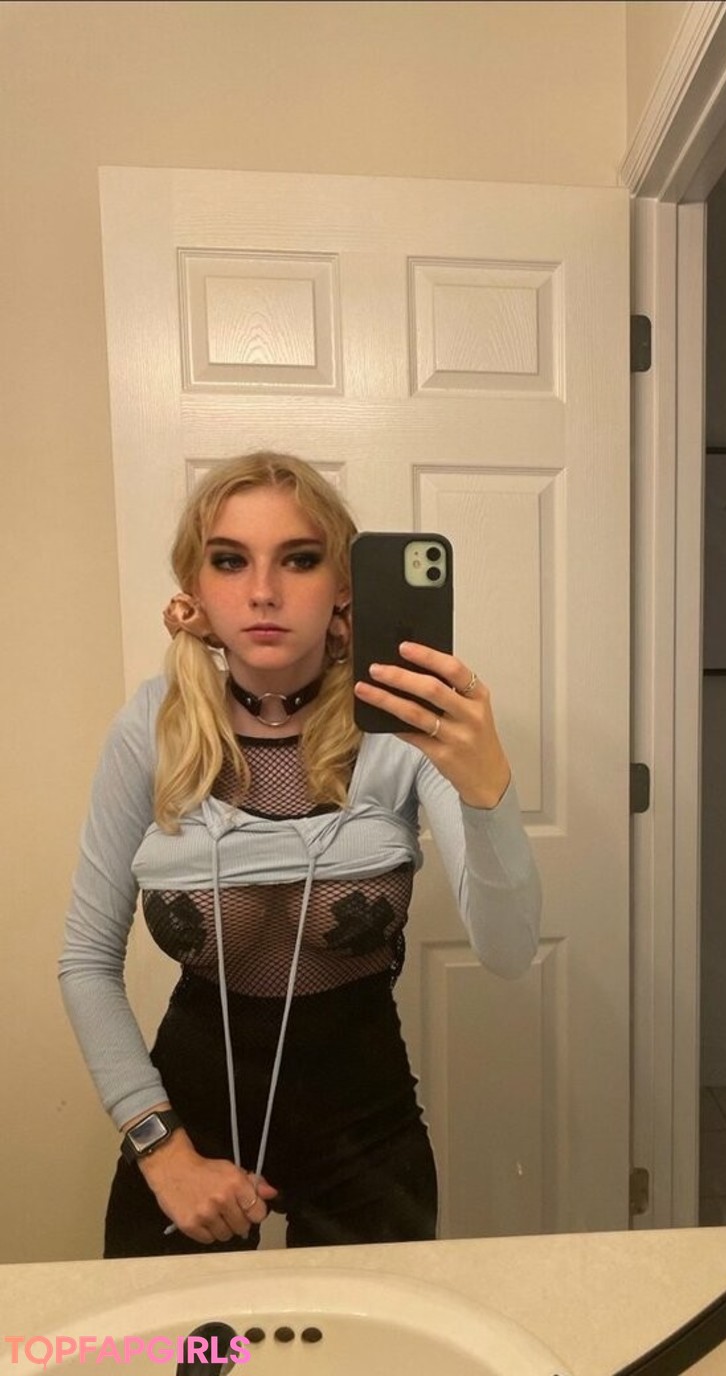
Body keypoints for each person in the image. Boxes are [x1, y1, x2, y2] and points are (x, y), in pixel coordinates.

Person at [59, 451, 540, 1258]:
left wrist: (488, 791)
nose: (262, 592)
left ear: (344, 585)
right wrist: (160, 1148)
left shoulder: (405, 729)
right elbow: (85, 960)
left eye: (300, 559)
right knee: (182, 1337)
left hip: (368, 1136)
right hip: (186, 1130)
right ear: (193, 588)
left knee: (368, 1334)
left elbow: (510, 949)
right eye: (229, 560)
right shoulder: (153, 725)